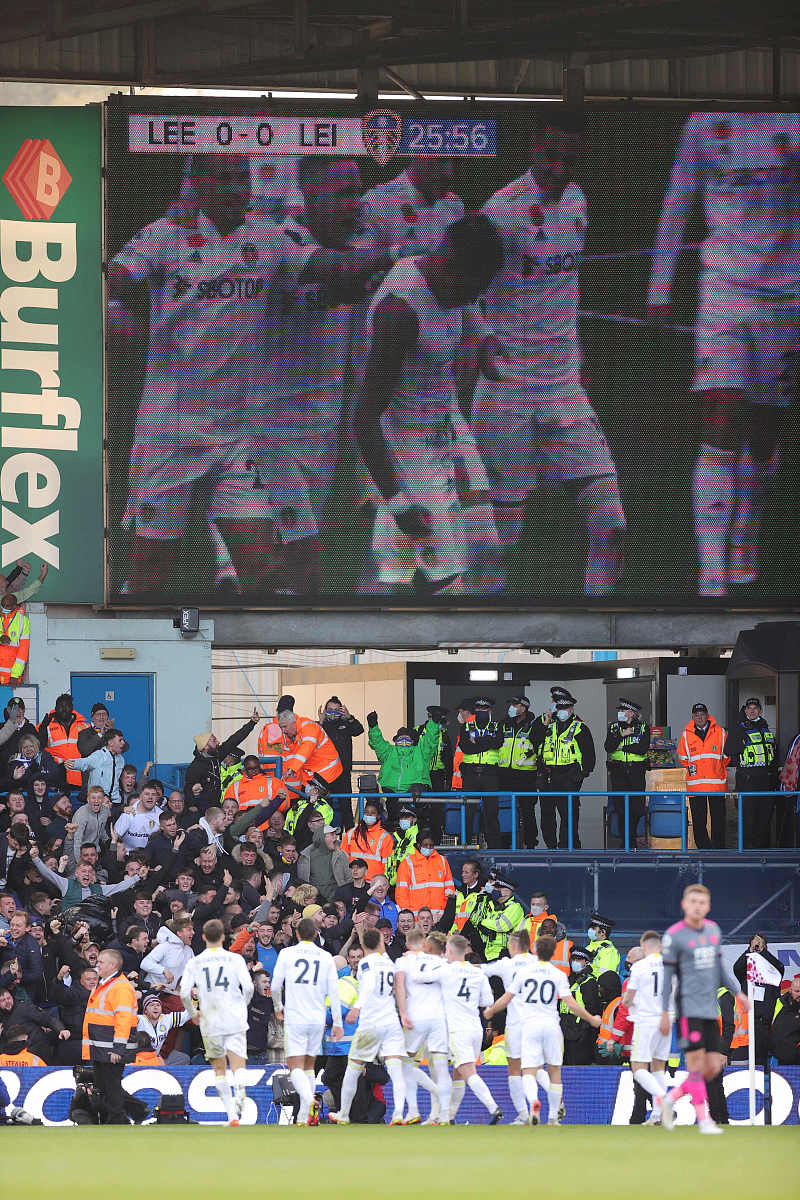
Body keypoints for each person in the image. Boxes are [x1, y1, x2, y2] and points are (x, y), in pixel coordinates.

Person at [472, 112, 626, 596]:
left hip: (563, 387)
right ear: (533, 148)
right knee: (501, 542)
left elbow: (565, 288)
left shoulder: (579, 202)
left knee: (611, 523)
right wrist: (479, 336)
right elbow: (459, 282)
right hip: (508, 389)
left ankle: (596, 627)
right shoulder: (503, 210)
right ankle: (478, 631)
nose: (560, 167)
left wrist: (575, 355)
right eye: (551, 155)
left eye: (569, 157)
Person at [648, 111, 800, 597]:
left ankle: (746, 528)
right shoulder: (701, 122)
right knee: (721, 412)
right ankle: (710, 573)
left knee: (764, 426)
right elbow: (678, 198)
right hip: (722, 286)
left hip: (786, 288)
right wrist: (659, 288)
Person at [255, 156, 396, 596]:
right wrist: (394, 257)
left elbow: (352, 277)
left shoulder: (355, 248)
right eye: (343, 194)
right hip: (271, 432)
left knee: (288, 575)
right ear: (311, 196)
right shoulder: (283, 243)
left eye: (357, 193)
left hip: (324, 429)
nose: (354, 205)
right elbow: (335, 274)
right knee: (293, 566)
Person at [353, 214, 504, 597]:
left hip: (447, 423)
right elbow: (365, 419)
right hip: (409, 443)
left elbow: (473, 323)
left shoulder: (448, 274)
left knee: (485, 544)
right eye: (474, 289)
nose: (474, 299)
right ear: (452, 266)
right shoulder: (400, 313)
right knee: (443, 582)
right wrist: (399, 501)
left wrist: (483, 344)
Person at [659, 883, 749, 1134]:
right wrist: (665, 1012)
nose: (697, 906)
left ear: (707, 906)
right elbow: (667, 977)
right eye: (693, 901)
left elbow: (720, 967)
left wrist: (738, 992)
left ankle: (670, 1098)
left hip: (710, 1010)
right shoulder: (675, 936)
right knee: (697, 1065)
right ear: (684, 905)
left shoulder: (712, 931)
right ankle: (704, 1119)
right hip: (688, 1008)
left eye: (702, 902)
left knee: (709, 1068)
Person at [488, 934, 602, 1125]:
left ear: (536, 950)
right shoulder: (558, 974)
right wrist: (591, 1019)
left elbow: (507, 998)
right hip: (552, 1026)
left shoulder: (524, 973)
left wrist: (491, 1010)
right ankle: (553, 1118)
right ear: (552, 953)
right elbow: (571, 1004)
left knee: (529, 1071)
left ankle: (533, 1103)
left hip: (530, 1025)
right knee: (554, 1071)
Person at [328, 926, 408, 1125]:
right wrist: (404, 1013)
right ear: (381, 943)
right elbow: (399, 988)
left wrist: (357, 1008)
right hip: (391, 1022)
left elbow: (369, 984)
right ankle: (398, 1114)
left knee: (353, 1070)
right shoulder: (390, 963)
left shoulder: (365, 964)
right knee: (396, 1069)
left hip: (371, 1023)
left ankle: (344, 1114)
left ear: (364, 946)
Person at [180, 917, 254, 1124]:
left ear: (203, 937)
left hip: (210, 1020)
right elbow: (248, 988)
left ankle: (231, 1116)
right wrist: (243, 1006)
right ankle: (240, 1091)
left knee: (219, 1069)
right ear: (223, 937)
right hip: (234, 1017)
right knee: (238, 1063)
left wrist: (193, 1012)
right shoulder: (235, 959)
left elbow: (185, 992)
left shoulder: (195, 962)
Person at [270, 915, 343, 1124]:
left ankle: (309, 1101)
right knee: (309, 1067)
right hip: (318, 1019)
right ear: (316, 934)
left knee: (295, 1067)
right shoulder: (326, 956)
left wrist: (277, 1006)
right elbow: (334, 992)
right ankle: (304, 1116)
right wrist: (337, 1022)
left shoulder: (286, 953)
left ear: (297, 933)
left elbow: (275, 986)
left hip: (296, 1017)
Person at [482, 928, 543, 1125]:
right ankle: (556, 1099)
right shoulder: (539, 964)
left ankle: (524, 1115)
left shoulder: (507, 964)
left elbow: (481, 969)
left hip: (516, 1025)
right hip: (536, 1022)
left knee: (515, 1070)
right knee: (535, 1067)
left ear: (514, 945)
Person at [439, 933, 502, 1124]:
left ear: (450, 951)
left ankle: (494, 1108)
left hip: (458, 1029)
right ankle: (449, 1117)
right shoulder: (477, 973)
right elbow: (488, 1001)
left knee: (467, 1071)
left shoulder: (445, 971)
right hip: (475, 1028)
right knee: (459, 1073)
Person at [393, 927, 452, 1125]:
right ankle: (445, 1114)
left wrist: (403, 1013)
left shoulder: (404, 961)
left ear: (408, 943)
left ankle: (413, 1110)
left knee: (405, 1064)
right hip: (438, 1019)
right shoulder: (442, 962)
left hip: (416, 1017)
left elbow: (399, 987)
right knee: (441, 1067)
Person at [531, 686, 596, 850]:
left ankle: (568, 847)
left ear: (571, 709)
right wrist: (543, 724)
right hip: (547, 775)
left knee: (568, 815)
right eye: (558, 707)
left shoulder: (579, 727)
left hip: (568, 776)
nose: (561, 711)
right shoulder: (548, 724)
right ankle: (551, 847)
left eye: (565, 707)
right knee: (547, 814)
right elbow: (533, 739)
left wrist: (578, 775)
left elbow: (589, 756)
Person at [80, 948, 138, 1124]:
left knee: (111, 1086)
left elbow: (124, 1019)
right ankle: (129, 1113)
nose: (97, 965)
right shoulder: (105, 984)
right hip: (101, 1046)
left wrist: (118, 1049)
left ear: (112, 965)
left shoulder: (120, 987)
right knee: (105, 1086)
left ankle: (118, 1119)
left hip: (111, 1047)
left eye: (101, 962)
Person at [622, 930, 671, 1125]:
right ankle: (657, 1116)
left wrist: (625, 1001)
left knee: (638, 1068)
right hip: (666, 1020)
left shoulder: (640, 967)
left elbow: (629, 997)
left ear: (644, 947)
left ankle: (663, 1098)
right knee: (658, 1067)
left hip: (646, 1020)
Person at [366, 710, 439, 820]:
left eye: (407, 738)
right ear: (395, 741)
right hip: (389, 793)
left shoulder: (421, 752)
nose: (403, 741)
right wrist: (373, 726)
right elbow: (377, 742)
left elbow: (430, 741)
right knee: (374, 790)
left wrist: (434, 722)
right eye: (400, 738)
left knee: (415, 792)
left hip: (412, 794)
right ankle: (383, 818)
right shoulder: (388, 751)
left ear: (413, 741)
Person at [725, 697, 779, 848]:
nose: (752, 710)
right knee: (748, 818)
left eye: (755, 708)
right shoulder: (738, 728)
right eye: (749, 708)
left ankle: (763, 852)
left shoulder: (765, 727)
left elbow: (773, 754)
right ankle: (748, 853)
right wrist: (740, 746)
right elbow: (728, 751)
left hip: (766, 779)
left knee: (765, 818)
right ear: (745, 710)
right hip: (747, 779)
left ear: (760, 710)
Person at [184, 711, 261, 811]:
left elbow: (235, 739)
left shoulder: (217, 755)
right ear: (205, 746)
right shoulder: (195, 767)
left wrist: (252, 723)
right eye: (214, 740)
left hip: (218, 806)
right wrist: (193, 791)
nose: (218, 742)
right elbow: (188, 789)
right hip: (203, 810)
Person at [677, 702, 729, 850]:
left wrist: (716, 768)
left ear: (707, 715)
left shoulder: (721, 732)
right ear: (692, 717)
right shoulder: (686, 735)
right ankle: (704, 849)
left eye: (702, 714)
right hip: (696, 785)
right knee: (699, 821)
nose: (699, 717)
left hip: (717, 784)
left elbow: (726, 756)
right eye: (696, 715)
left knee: (718, 820)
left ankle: (719, 849)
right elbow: (682, 757)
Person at [456, 697, 504, 847]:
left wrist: (477, 741)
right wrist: (486, 742)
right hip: (470, 775)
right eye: (479, 709)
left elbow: (497, 743)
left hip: (490, 775)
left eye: (485, 709)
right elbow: (466, 747)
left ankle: (494, 849)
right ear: (475, 711)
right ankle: (466, 846)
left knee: (491, 814)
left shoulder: (497, 726)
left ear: (490, 711)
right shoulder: (466, 726)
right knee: (468, 814)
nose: (482, 712)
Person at [273, 696, 343, 796]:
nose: (283, 731)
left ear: (293, 722)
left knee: (314, 801)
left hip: (328, 772)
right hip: (319, 773)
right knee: (312, 801)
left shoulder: (308, 727)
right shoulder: (295, 734)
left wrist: (292, 769)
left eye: (285, 727)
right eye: (281, 728)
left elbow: (307, 748)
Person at [605, 698, 651, 849]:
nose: (620, 713)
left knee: (637, 808)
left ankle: (629, 839)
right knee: (620, 808)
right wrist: (622, 735)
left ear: (631, 713)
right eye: (619, 711)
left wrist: (623, 748)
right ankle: (628, 842)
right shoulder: (613, 727)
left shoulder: (643, 727)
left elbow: (642, 748)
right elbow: (609, 747)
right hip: (618, 770)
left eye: (622, 711)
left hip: (636, 770)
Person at [732, 932, 784, 1064]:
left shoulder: (771, 975)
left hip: (763, 1024)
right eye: (755, 942)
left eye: (760, 942)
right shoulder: (746, 974)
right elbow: (736, 968)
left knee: (761, 1061)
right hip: (746, 1024)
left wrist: (763, 952)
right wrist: (749, 951)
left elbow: (779, 968)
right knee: (744, 1060)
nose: (757, 944)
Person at [497, 696, 540, 849]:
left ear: (524, 708)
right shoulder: (503, 724)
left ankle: (530, 845)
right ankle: (504, 844)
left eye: (515, 705)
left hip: (526, 776)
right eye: (511, 704)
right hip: (504, 775)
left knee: (527, 812)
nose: (512, 707)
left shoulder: (534, 725)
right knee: (504, 811)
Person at [319, 698, 364, 829]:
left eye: (336, 710)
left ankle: (349, 838)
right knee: (324, 807)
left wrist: (349, 717)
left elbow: (359, 730)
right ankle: (325, 838)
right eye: (330, 710)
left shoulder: (346, 723)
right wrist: (321, 722)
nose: (332, 713)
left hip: (343, 773)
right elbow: (314, 740)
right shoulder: (320, 725)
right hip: (325, 774)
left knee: (346, 807)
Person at [394, 829, 454, 923]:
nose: (429, 848)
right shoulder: (407, 863)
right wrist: (408, 917)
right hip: (416, 919)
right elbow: (401, 894)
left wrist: (444, 914)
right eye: (425, 845)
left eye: (431, 845)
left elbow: (449, 890)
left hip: (439, 918)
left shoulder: (442, 861)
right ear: (418, 845)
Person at [470, 870, 525, 962]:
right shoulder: (490, 904)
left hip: (504, 955)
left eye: (496, 888)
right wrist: (482, 900)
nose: (492, 890)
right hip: (485, 954)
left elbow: (501, 925)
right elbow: (474, 919)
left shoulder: (515, 907)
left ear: (506, 891)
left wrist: (482, 922)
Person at [64, 729, 127, 806]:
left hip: (116, 801)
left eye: (123, 740)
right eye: (120, 740)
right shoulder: (98, 756)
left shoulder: (121, 759)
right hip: (99, 801)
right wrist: (73, 763)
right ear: (110, 742)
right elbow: (85, 762)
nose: (123, 743)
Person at [38, 694, 88, 789]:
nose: (64, 709)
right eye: (61, 706)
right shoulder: (46, 725)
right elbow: (39, 746)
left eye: (67, 706)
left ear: (72, 708)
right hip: (55, 779)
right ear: (56, 708)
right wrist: (43, 728)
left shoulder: (84, 726)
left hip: (79, 778)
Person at [296, 824, 352, 904]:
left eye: (335, 834)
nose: (335, 837)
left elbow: (349, 878)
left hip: (336, 900)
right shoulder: (306, 856)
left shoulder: (341, 854)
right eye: (331, 834)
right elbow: (301, 882)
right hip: (314, 902)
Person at [340, 801, 393, 881]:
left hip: (373, 883)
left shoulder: (385, 837)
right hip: (353, 882)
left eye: (373, 813)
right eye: (366, 812)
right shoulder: (351, 833)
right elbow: (343, 858)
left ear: (378, 816)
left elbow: (387, 864)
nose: (369, 815)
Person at [386, 803, 418, 888]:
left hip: (409, 883)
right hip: (395, 882)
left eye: (407, 817)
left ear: (414, 819)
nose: (403, 820)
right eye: (402, 817)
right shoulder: (398, 837)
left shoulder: (417, 837)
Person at [771, 975, 800, 1065]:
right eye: (797, 991)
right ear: (790, 990)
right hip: (777, 1059)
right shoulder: (779, 1004)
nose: (799, 994)